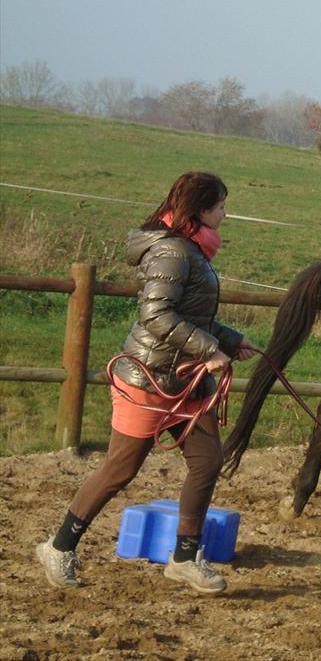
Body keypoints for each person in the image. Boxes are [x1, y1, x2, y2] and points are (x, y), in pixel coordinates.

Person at [35, 171, 258, 594]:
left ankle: (185, 558)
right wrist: (210, 349)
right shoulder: (173, 252)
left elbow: (191, 314)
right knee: (121, 468)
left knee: (207, 461)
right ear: (202, 210)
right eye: (221, 206)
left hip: (184, 380)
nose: (226, 214)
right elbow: (156, 316)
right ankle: (59, 546)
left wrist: (229, 339)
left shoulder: (192, 250)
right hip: (150, 379)